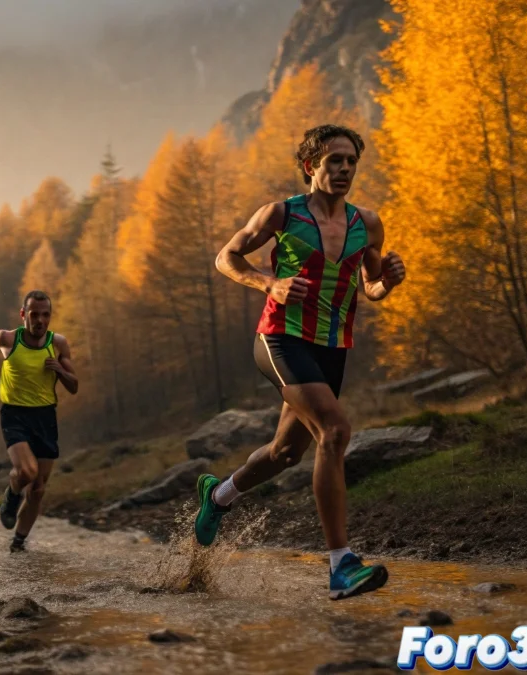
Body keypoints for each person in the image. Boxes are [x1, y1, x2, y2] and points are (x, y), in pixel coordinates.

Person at [193, 124, 407, 600]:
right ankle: (341, 565)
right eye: (334, 160)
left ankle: (220, 495)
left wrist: (387, 282)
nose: (344, 169)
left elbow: (370, 289)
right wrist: (269, 283)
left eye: (350, 161)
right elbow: (225, 258)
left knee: (286, 453)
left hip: (332, 347)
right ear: (312, 166)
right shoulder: (281, 214)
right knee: (334, 431)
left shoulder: (366, 223)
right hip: (280, 338)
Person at [0, 290, 78, 552]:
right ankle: (11, 494)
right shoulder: (7, 339)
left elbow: (74, 386)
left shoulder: (59, 343)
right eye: (34, 315)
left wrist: (60, 370)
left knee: (39, 489)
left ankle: (18, 543)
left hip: (45, 417)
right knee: (27, 472)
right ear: (23, 315)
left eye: (45, 315)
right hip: (15, 415)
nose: (40, 320)